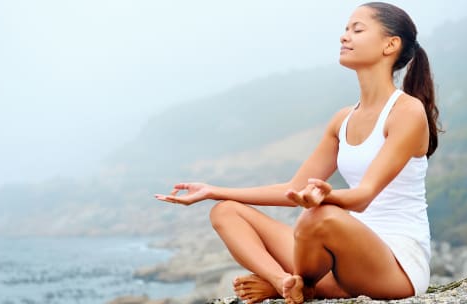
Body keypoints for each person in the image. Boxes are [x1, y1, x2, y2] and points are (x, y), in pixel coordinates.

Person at [155, 2, 440, 303]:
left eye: (357, 29)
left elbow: (363, 196)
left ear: (390, 44)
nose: (344, 37)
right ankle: (285, 284)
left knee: (317, 216)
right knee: (226, 211)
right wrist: (213, 190)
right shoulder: (342, 119)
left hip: (396, 264)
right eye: (345, 29)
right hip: (340, 256)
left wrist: (323, 197)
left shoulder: (407, 111)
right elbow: (294, 188)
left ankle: (307, 286)